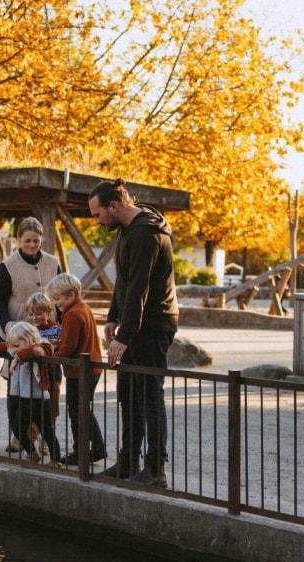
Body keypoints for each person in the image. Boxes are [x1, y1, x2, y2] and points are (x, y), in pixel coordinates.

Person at [88, 178, 178, 487]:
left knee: (150, 395)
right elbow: (123, 282)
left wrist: (124, 337)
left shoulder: (146, 234)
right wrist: (114, 318)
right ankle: (128, 461)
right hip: (135, 324)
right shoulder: (128, 231)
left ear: (114, 206)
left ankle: (155, 470)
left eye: (98, 215)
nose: (97, 222)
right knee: (128, 393)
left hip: (154, 324)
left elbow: (140, 287)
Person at [18, 273, 106, 466]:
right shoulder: (83, 308)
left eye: (58, 299)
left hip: (80, 370)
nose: (56, 304)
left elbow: (68, 348)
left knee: (77, 412)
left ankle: (83, 451)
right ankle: (95, 448)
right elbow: (69, 341)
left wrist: (47, 358)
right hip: (91, 367)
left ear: (71, 295)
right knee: (83, 410)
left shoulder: (73, 314)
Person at [0, 217, 61, 453]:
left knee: (47, 386)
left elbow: (60, 297)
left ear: (42, 239)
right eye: (27, 241)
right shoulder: (8, 265)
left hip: (47, 335)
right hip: (17, 333)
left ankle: (44, 434)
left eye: (36, 241)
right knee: (17, 389)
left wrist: (60, 329)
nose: (32, 245)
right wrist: (8, 324)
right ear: (19, 240)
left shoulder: (53, 263)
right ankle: (19, 435)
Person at [0, 292, 63, 459]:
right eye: (31, 314)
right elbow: (6, 345)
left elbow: (39, 349)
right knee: (18, 427)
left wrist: (20, 356)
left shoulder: (45, 340)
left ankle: (56, 459)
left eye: (38, 313)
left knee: (46, 428)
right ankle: (32, 452)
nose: (34, 317)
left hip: (40, 393)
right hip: (21, 394)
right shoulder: (22, 337)